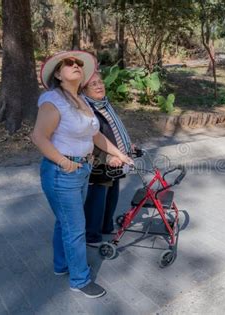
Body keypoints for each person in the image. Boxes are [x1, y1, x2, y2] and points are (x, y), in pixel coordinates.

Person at [31, 50, 132, 299]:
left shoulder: (81, 100)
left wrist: (119, 153)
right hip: (61, 172)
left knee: (64, 222)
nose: (76, 65)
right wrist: (63, 162)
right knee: (76, 227)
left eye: (79, 63)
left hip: (81, 170)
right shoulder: (52, 100)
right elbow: (38, 137)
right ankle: (80, 279)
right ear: (58, 73)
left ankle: (61, 265)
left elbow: (95, 135)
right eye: (69, 63)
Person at [82, 72, 135, 247]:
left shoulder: (104, 104)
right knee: (97, 200)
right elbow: (90, 139)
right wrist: (108, 156)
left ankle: (105, 227)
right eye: (93, 84)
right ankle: (91, 235)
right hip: (100, 162)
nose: (99, 86)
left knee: (111, 197)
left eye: (100, 82)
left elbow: (114, 128)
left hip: (116, 161)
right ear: (83, 89)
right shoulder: (87, 109)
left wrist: (127, 146)